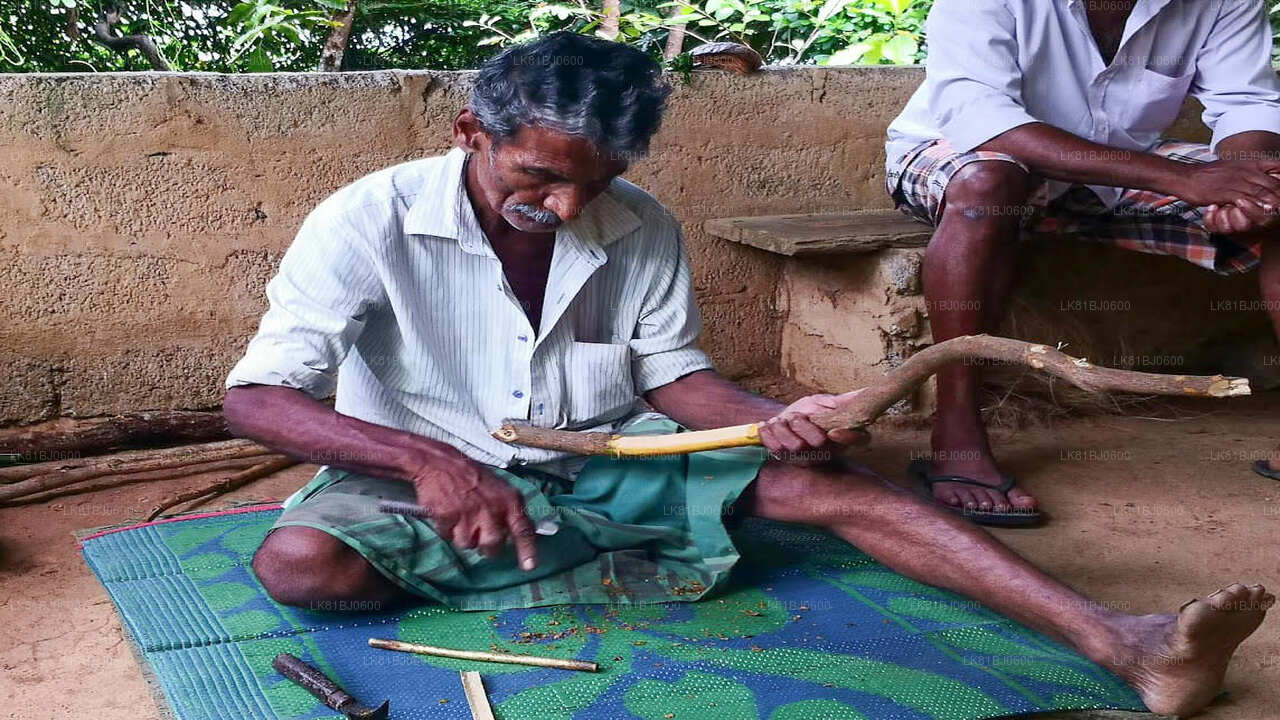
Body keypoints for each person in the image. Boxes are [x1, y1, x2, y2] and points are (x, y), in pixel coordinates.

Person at [224, 32, 1271, 717]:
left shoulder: (638, 228)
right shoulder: (367, 220)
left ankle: (1131, 648)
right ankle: (614, 546)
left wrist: (777, 418)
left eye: (597, 183)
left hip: (607, 457)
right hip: (420, 467)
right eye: (537, 175)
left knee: (828, 485)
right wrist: (427, 461)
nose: (567, 208)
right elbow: (255, 397)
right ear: (470, 134)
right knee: (304, 570)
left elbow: (674, 379)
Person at [885, 0, 1280, 526]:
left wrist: (1247, 186)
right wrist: (1187, 181)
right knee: (988, 186)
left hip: (1120, 167)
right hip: (965, 153)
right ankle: (956, 430)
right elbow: (982, 116)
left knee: (1278, 195)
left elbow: (1247, 102)